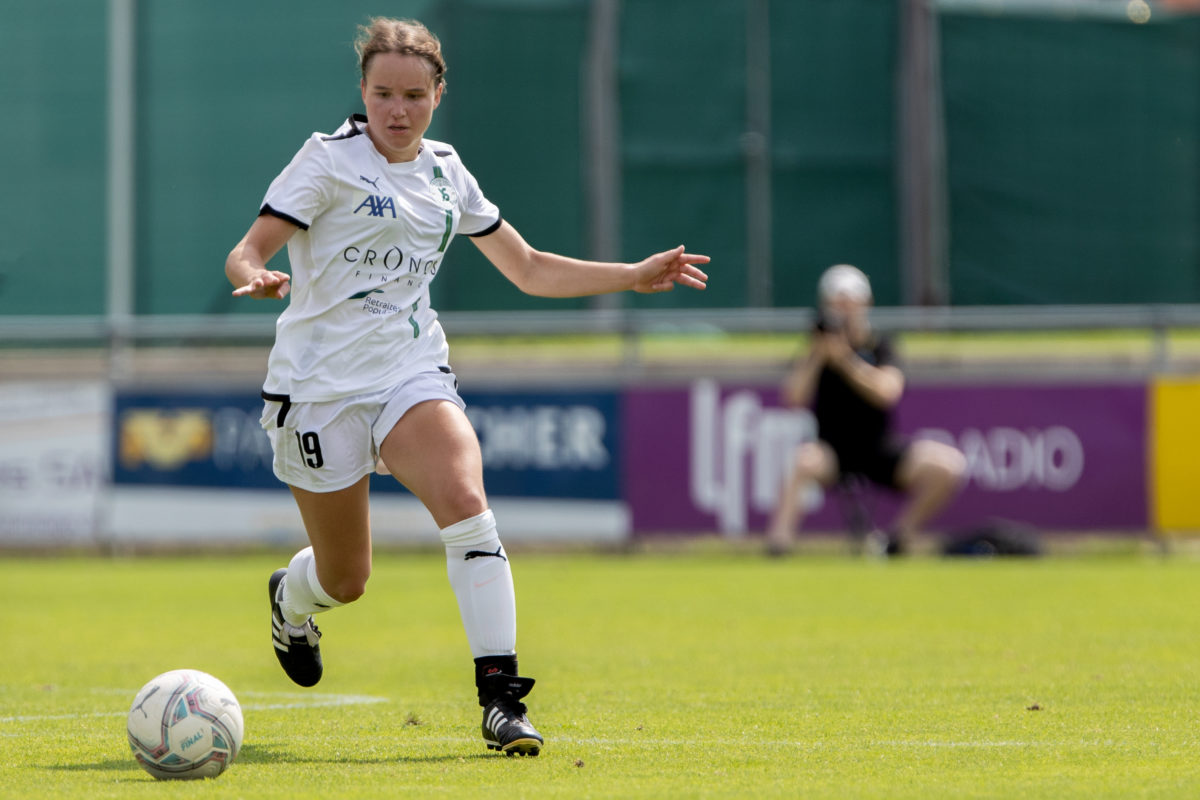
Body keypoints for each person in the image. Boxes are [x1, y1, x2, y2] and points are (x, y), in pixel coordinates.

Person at [224, 17, 709, 758]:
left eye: (414, 95)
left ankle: (501, 700)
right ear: (362, 91)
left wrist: (631, 273)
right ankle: (292, 600)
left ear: (438, 95)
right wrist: (252, 276)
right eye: (383, 93)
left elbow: (530, 267)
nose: (398, 109)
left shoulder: (447, 172)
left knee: (467, 505)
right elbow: (248, 247)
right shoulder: (325, 161)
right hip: (317, 389)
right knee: (347, 578)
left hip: (408, 372)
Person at [765, 264, 963, 557]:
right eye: (837, 304)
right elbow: (793, 398)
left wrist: (845, 360)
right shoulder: (816, 349)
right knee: (803, 460)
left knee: (948, 466)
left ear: (865, 304)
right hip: (833, 452)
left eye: (850, 303)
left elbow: (887, 392)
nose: (844, 312)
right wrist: (817, 354)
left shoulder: (880, 346)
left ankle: (897, 540)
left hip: (880, 449)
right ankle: (779, 546)